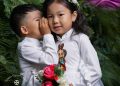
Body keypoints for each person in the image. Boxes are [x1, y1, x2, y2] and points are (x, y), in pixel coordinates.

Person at [43, 0, 104, 86]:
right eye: (50, 16)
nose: (55, 20)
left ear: (73, 16)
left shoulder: (81, 39)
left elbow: (95, 71)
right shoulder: (50, 44)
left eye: (60, 15)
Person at [9, 4, 58, 86]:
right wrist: (47, 34)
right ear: (25, 30)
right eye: (38, 20)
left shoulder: (41, 42)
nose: (44, 22)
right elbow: (52, 61)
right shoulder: (24, 47)